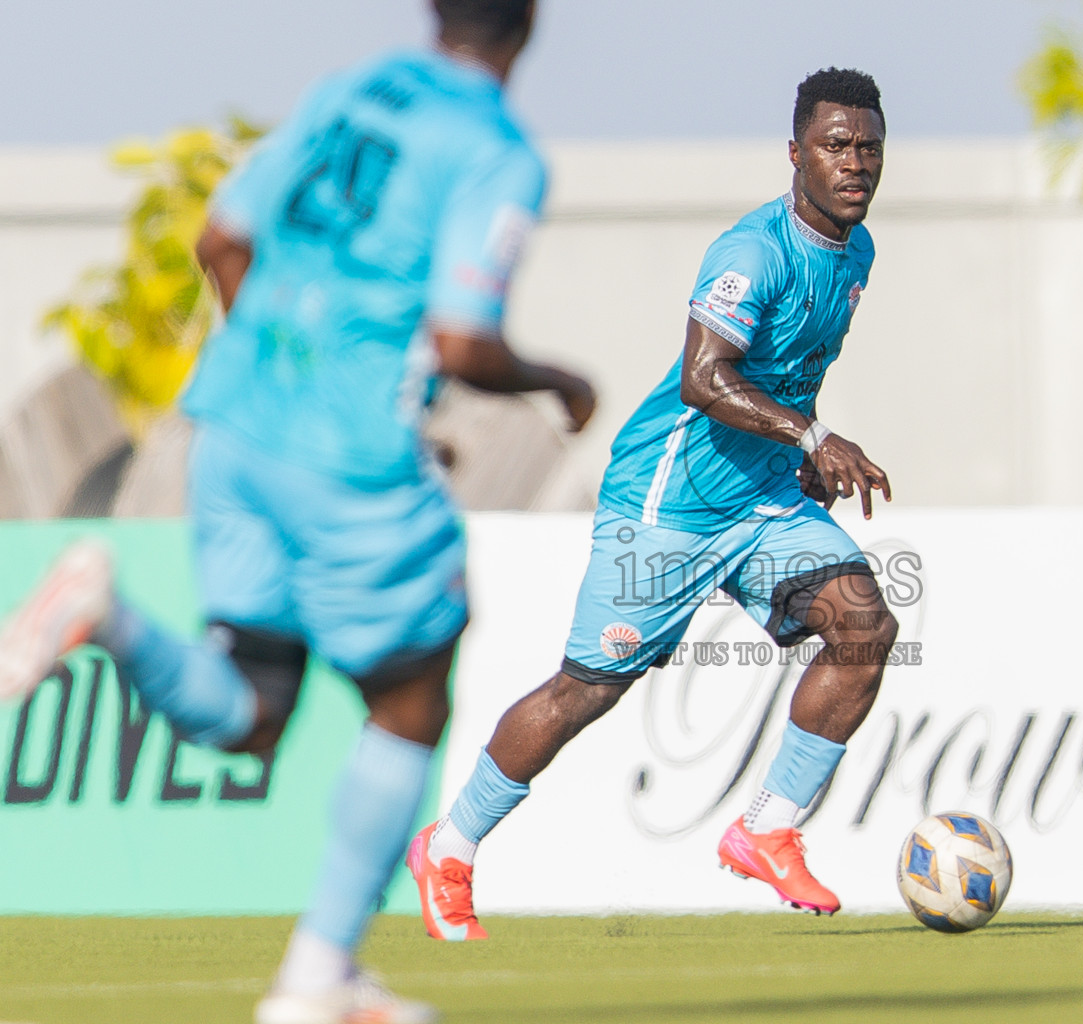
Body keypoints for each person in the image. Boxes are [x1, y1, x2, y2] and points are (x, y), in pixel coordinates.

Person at [0, 1, 593, 1020]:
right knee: (413, 692)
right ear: (528, 26)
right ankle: (318, 976)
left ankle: (109, 612)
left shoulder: (351, 91)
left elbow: (221, 239)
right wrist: (556, 380)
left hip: (232, 421)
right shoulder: (498, 150)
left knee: (254, 709)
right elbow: (463, 342)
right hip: (348, 454)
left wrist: (275, 368)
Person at [409, 66, 897, 939]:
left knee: (864, 624)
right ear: (795, 155)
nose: (853, 163)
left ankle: (768, 829)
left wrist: (803, 444)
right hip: (668, 503)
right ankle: (449, 845)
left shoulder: (856, 254)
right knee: (588, 690)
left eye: (868, 147)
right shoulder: (752, 254)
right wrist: (815, 440)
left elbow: (790, 372)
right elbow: (709, 380)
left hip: (762, 501)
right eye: (834, 145)